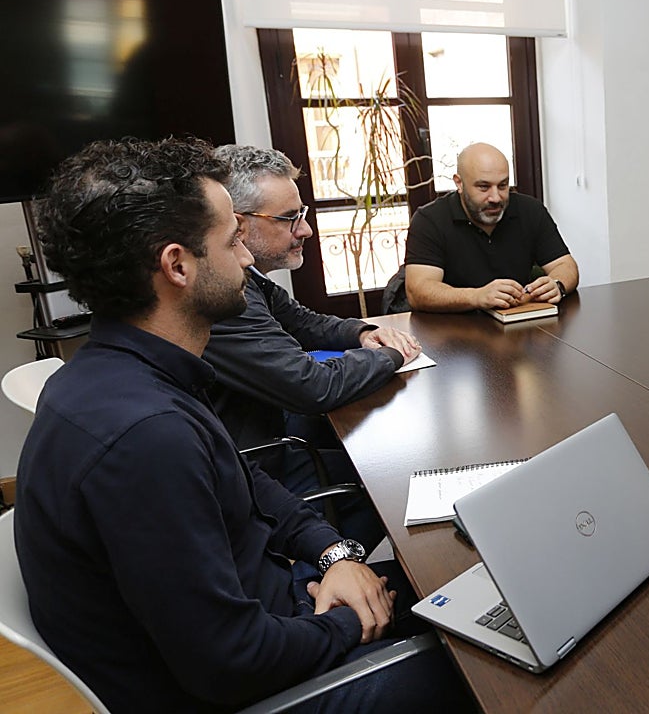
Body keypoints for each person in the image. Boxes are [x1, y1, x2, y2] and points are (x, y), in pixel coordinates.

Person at [15, 138, 468, 712]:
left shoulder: (128, 373)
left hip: (285, 607)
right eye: (232, 241)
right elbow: (231, 664)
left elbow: (251, 484)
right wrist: (352, 622)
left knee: (461, 590)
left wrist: (336, 555)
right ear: (177, 265)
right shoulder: (144, 436)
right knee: (487, 659)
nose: (248, 259)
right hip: (260, 686)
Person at [205, 144, 419, 471]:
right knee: (393, 468)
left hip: (273, 432)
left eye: (301, 215)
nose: (305, 230)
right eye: (290, 218)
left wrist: (363, 333)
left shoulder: (251, 278)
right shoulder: (227, 295)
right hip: (260, 470)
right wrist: (391, 355)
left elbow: (304, 323)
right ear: (240, 225)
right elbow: (313, 387)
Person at [404, 141, 579, 312]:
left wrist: (557, 284)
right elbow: (418, 291)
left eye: (503, 185)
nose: (496, 197)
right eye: (483, 187)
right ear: (459, 183)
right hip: (452, 329)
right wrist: (477, 297)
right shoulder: (430, 219)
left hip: (517, 326)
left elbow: (566, 265)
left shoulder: (530, 210)